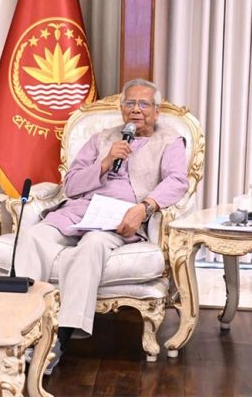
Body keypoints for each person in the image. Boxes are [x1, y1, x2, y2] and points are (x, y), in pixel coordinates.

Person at [15, 78, 189, 374]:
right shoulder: (102, 139)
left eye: (144, 104)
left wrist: (144, 208)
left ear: (156, 111)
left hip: (119, 219)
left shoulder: (169, 141)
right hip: (78, 212)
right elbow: (71, 185)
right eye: (130, 103)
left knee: (92, 246)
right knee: (32, 236)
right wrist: (106, 162)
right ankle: (22, 327)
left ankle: (59, 339)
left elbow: (177, 181)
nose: (136, 110)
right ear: (121, 109)